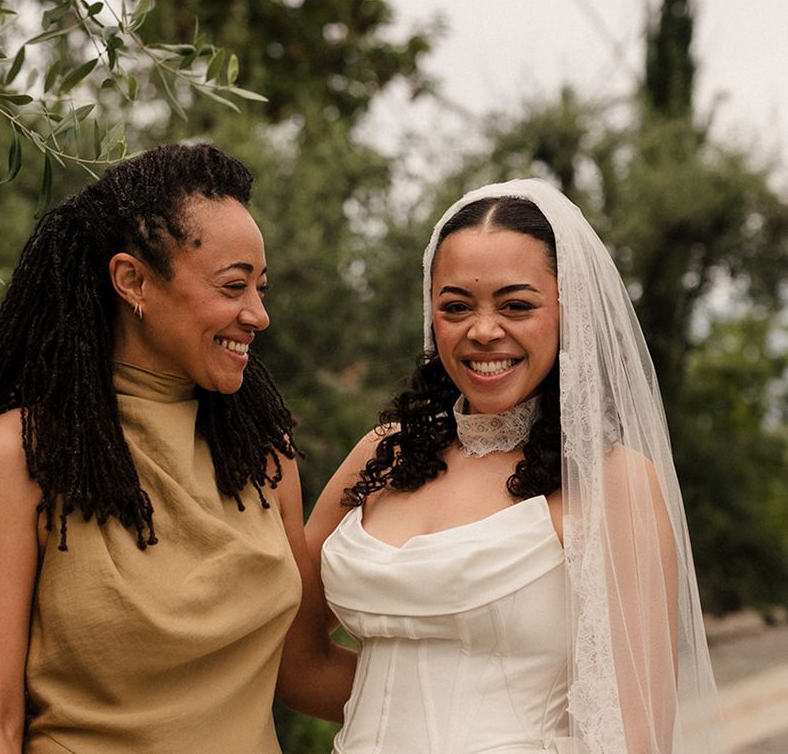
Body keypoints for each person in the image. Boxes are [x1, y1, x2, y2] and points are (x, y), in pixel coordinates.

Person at [0, 142, 354, 754]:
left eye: (260, 288)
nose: (259, 315)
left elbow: (299, 671)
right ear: (132, 280)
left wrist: (493, 699)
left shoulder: (264, 456)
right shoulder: (18, 456)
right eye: (234, 286)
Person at [284, 178, 717, 753]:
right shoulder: (381, 454)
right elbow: (293, 662)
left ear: (568, 311)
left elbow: (634, 732)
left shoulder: (612, 480)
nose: (483, 331)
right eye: (457, 306)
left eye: (516, 305)